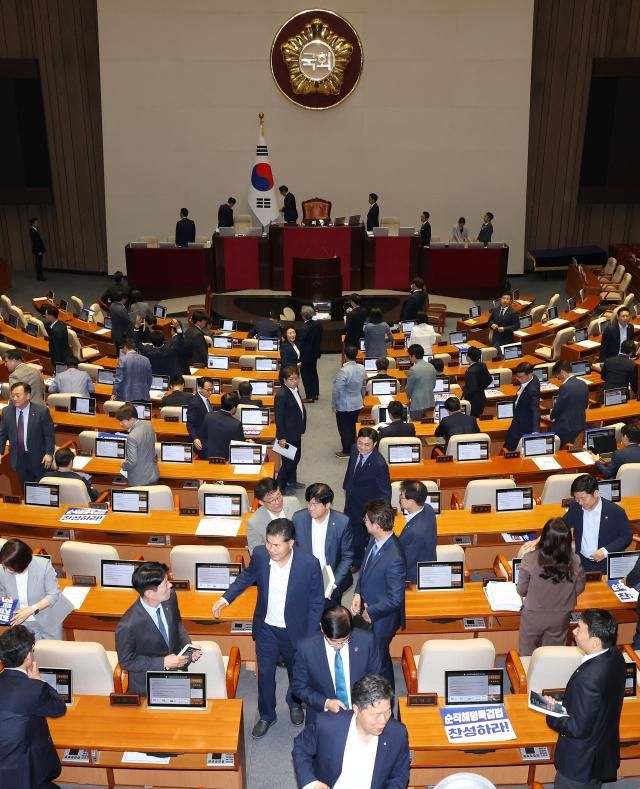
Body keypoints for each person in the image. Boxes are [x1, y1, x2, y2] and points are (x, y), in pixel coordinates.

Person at [212, 518, 324, 737]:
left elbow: (316, 601)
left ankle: (294, 703)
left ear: (291, 543)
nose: (271, 549)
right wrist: (225, 598)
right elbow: (246, 577)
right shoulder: (261, 555)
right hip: (267, 629)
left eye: (277, 545)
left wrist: (311, 635)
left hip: (296, 630)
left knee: (296, 672)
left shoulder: (309, 564)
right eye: (268, 543)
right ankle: (266, 714)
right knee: (264, 674)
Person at [546, 609, 626, 789]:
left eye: (580, 629)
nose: (574, 631)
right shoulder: (615, 656)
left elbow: (577, 728)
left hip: (579, 764)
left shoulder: (588, 680)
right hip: (600, 752)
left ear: (595, 641)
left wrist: (552, 712)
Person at [292, 673, 410, 789]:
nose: (383, 720)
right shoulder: (326, 725)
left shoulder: (398, 734)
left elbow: (400, 775)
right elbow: (301, 748)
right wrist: (311, 783)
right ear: (356, 710)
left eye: (387, 712)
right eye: (376, 715)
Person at [115, 561, 201, 695]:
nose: (170, 585)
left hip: (177, 675)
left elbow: (177, 624)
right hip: (148, 685)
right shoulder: (128, 625)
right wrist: (163, 662)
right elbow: (127, 661)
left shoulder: (170, 597)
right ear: (149, 593)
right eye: (166, 583)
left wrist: (188, 647)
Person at [0, 624, 67, 789]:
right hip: (22, 776)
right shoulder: (34, 689)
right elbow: (59, 709)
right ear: (28, 657)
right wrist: (39, 682)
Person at [291, 606, 382, 726]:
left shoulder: (366, 641)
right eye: (333, 641)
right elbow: (298, 686)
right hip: (324, 713)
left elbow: (376, 679)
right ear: (322, 628)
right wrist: (326, 703)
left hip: (361, 710)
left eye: (344, 640)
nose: (339, 645)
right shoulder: (306, 648)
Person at [351, 499, 406, 692]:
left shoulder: (395, 557)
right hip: (368, 607)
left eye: (366, 520)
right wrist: (358, 592)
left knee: (380, 659)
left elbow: (396, 599)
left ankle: (387, 696)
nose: (363, 521)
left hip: (382, 618)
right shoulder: (374, 539)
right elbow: (365, 570)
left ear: (376, 525)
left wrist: (371, 612)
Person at [516, 518, 585, 655]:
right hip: (560, 617)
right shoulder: (575, 560)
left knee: (527, 655)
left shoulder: (530, 558)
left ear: (544, 537)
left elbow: (521, 590)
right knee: (553, 656)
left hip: (533, 615)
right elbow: (579, 589)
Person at [293, 483, 355, 605]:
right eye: (309, 503)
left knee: (330, 613)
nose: (310, 508)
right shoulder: (298, 518)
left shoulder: (342, 522)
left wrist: (334, 583)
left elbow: (347, 557)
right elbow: (293, 548)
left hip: (332, 578)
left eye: (315, 504)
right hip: (307, 578)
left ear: (327, 505)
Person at [0, 538, 67, 642]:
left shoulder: (43, 566)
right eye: (5, 566)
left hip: (47, 618)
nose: (7, 570)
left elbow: (53, 595)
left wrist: (31, 609)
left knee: (50, 650)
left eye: (11, 568)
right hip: (20, 623)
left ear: (23, 563)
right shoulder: (2, 569)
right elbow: (2, 594)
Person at [563, 474, 632, 573]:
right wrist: (544, 538)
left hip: (605, 564)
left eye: (583, 498)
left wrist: (605, 551)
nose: (580, 503)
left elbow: (626, 536)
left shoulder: (615, 511)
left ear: (595, 493)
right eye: (576, 498)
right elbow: (562, 525)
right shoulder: (575, 507)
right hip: (581, 562)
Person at [343, 428, 392, 564]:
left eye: (367, 445)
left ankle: (357, 561)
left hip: (365, 505)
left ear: (374, 444)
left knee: (358, 533)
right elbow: (351, 469)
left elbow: (385, 490)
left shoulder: (379, 464)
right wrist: (346, 486)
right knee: (349, 527)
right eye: (360, 443)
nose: (362, 447)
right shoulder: (354, 449)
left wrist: (382, 513)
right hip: (351, 496)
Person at [0, 382, 55, 486]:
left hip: (38, 458)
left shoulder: (41, 411)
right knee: (23, 489)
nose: (15, 398)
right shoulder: (7, 412)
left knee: (41, 488)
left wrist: (49, 453)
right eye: (13, 395)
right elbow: (2, 434)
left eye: (18, 395)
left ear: (28, 396)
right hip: (18, 458)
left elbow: (49, 435)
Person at [246, 477, 300, 554]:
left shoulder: (294, 503)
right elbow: (256, 552)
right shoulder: (254, 523)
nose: (277, 502)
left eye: (278, 496)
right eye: (271, 500)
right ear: (261, 502)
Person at [275, 366, 307, 493]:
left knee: (296, 458)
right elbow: (279, 418)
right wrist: (281, 437)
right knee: (288, 462)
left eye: (296, 378)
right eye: (291, 379)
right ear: (284, 380)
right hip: (287, 435)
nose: (295, 381)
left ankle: (291, 481)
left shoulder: (294, 389)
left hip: (296, 432)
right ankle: (280, 487)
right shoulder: (282, 395)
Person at [398, 481, 437, 583]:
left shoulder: (415, 533)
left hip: (413, 579)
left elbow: (405, 562)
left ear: (411, 501)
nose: (399, 498)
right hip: (426, 563)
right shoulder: (428, 508)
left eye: (402, 496)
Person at [333, 344, 367, 458]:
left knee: (344, 429)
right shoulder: (361, 368)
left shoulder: (343, 371)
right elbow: (363, 385)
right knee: (353, 426)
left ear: (345, 355)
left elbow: (337, 390)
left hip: (344, 405)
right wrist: (362, 398)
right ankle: (353, 447)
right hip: (357, 402)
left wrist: (334, 404)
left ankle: (347, 451)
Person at [116, 402, 160, 486]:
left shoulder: (132, 437)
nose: (120, 424)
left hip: (140, 479)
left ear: (132, 419)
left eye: (122, 421)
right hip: (153, 473)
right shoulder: (148, 425)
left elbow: (132, 462)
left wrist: (123, 465)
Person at [549, 360, 589, 446]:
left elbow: (558, 408)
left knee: (556, 447)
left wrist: (550, 416)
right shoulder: (583, 383)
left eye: (558, 377)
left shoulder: (565, 387)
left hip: (565, 427)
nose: (559, 379)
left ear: (562, 372)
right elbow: (585, 405)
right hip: (579, 424)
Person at [503, 362, 540, 452]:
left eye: (521, 377)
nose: (518, 379)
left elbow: (535, 409)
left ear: (530, 374)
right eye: (517, 376)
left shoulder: (532, 390)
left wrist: (535, 430)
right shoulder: (534, 378)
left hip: (522, 423)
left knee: (510, 446)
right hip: (518, 416)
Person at [205, 391, 244, 459]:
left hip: (208, 456)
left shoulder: (208, 416)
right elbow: (239, 446)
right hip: (226, 459)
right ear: (234, 408)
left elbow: (204, 436)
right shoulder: (236, 424)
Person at [113, 336, 153, 401]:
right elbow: (149, 380)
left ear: (124, 347)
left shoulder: (123, 360)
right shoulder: (146, 360)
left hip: (126, 397)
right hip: (143, 395)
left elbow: (119, 380)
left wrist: (114, 393)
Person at [297, 305, 323, 403]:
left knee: (306, 375)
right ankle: (315, 394)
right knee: (313, 372)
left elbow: (300, 344)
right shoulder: (318, 325)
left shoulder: (303, 328)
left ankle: (309, 396)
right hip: (314, 353)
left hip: (305, 355)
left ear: (303, 315)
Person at [405, 343, 436, 420]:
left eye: (409, 356)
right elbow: (433, 385)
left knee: (417, 425)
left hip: (417, 405)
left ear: (413, 356)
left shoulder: (413, 369)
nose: (409, 358)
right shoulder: (431, 366)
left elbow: (409, 388)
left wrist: (409, 397)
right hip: (430, 403)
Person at [186, 376, 215, 458]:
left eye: (212, 389)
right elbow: (190, 424)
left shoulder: (205, 399)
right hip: (201, 440)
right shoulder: (194, 403)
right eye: (208, 390)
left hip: (209, 435)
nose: (210, 392)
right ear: (199, 388)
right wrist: (195, 438)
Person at [462, 345, 493, 416]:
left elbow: (472, 389)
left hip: (473, 402)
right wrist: (481, 388)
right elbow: (489, 379)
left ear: (468, 357)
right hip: (481, 398)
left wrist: (464, 398)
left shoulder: (470, 372)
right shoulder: (482, 365)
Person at [109, 289, 131, 354]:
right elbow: (128, 321)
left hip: (114, 332)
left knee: (116, 348)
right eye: (126, 299)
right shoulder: (122, 308)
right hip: (122, 334)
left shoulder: (112, 305)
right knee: (121, 350)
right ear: (123, 299)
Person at [29, 217, 47, 281]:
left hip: (39, 249)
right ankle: (40, 277)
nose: (37, 223)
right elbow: (35, 241)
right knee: (38, 263)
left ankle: (39, 276)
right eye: (36, 222)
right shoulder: (32, 231)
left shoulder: (36, 230)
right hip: (37, 250)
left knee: (39, 263)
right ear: (33, 224)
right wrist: (38, 250)